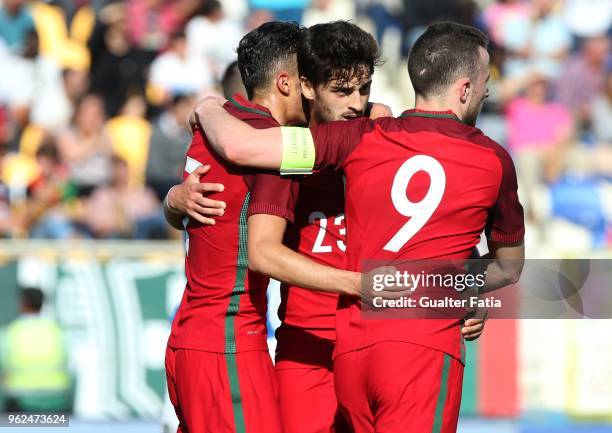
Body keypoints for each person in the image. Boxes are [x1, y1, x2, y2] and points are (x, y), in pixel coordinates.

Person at [192, 21, 525, 433]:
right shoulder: (294, 152)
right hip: (309, 345)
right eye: (342, 90)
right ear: (307, 87)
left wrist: (461, 296)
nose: (356, 103)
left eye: (364, 89)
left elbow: (440, 230)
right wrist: (207, 111)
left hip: (370, 333)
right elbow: (255, 229)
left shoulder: (374, 133)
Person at [163, 22, 368, 433]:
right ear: (289, 82)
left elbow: (198, 207)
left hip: (190, 338)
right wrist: (360, 283)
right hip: (229, 343)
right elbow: (263, 251)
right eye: (311, 78)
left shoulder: (214, 126)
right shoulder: (274, 148)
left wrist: (172, 200)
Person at [0, 288, 72, 412]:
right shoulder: (57, 331)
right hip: (57, 400)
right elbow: (70, 361)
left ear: (22, 303)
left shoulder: (11, 332)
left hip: (19, 401)